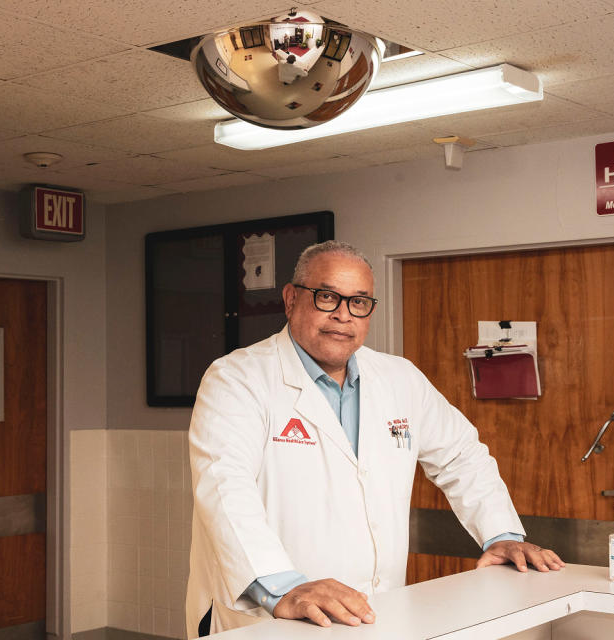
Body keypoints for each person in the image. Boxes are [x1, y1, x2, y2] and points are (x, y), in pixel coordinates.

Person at [186, 241, 564, 637]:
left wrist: (501, 534)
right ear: (291, 299)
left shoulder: (399, 378)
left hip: (373, 614)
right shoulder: (237, 379)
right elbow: (224, 487)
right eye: (327, 297)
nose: (342, 316)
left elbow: (462, 456)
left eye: (359, 302)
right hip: (270, 617)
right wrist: (282, 586)